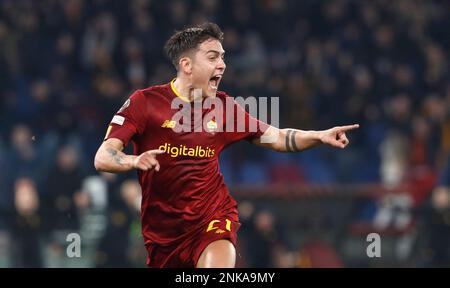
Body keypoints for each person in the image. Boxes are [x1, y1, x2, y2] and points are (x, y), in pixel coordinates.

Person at [94, 22, 359, 268]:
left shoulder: (224, 108)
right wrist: (133, 160)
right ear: (186, 65)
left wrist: (318, 136)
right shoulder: (145, 103)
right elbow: (103, 156)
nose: (222, 65)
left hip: (212, 219)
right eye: (212, 57)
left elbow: (277, 138)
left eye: (223, 57)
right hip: (162, 233)